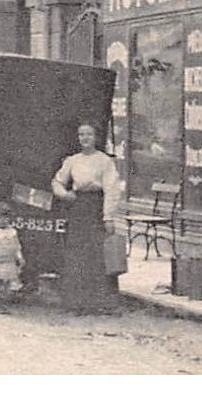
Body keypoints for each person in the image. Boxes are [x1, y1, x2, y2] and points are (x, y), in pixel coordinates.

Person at [51, 121, 121, 313]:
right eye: (81, 135)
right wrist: (65, 195)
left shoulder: (104, 161)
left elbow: (112, 189)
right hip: (78, 207)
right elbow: (57, 181)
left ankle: (99, 302)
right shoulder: (73, 160)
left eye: (89, 134)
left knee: (96, 253)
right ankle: (76, 302)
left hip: (96, 207)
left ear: (96, 137)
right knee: (76, 252)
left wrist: (108, 216)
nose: (85, 138)